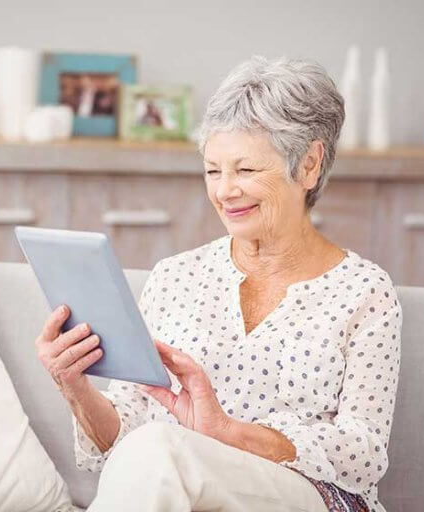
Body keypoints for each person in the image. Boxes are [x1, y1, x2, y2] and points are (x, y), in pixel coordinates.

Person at [35, 55, 402, 512]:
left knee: (159, 447)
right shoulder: (174, 276)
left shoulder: (364, 292)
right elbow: (121, 440)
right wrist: (73, 385)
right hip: (179, 493)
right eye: (213, 170)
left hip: (311, 498)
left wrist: (227, 433)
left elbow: (365, 455)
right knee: (151, 447)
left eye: (246, 170)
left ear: (308, 165)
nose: (225, 191)